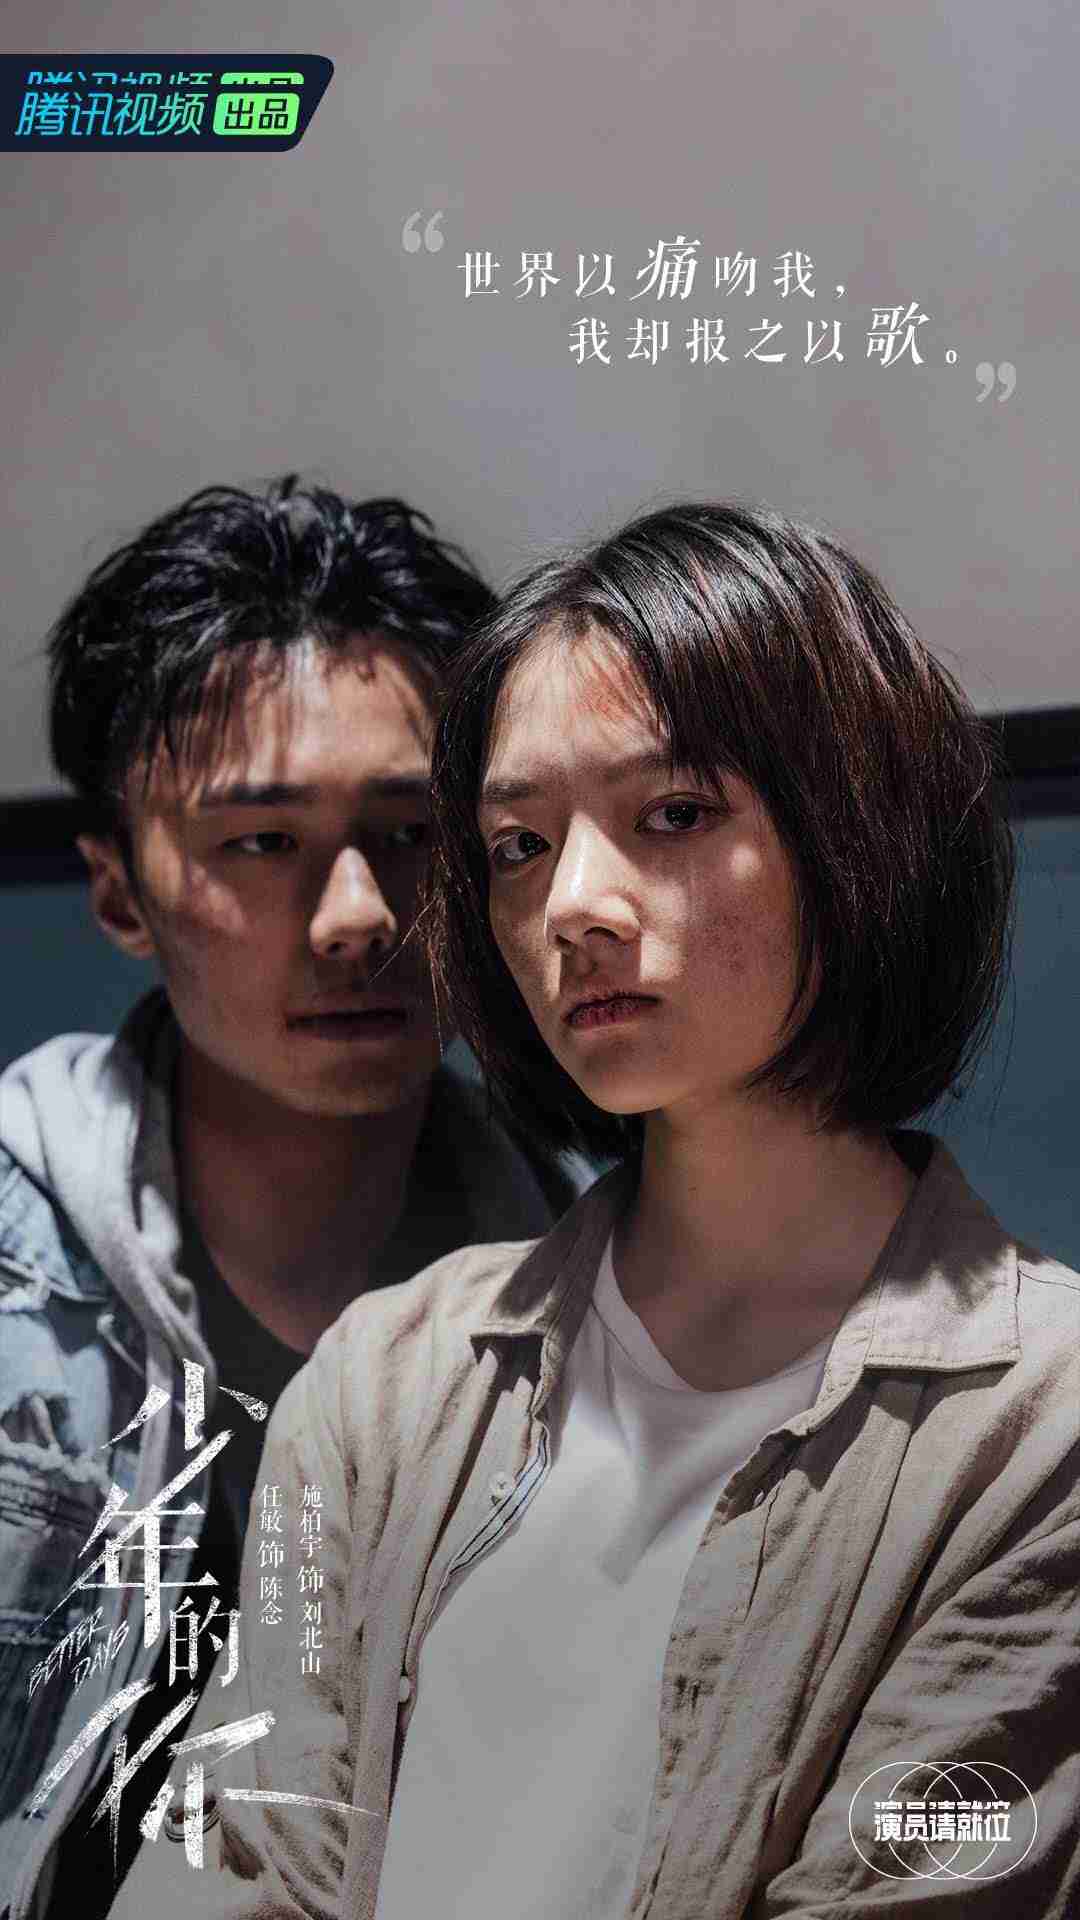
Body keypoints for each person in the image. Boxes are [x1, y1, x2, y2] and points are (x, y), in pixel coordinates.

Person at [112, 503, 1080, 1918]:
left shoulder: (1040, 1422)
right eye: (516, 845)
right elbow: (235, 1868)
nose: (573, 902)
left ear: (859, 831)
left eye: (672, 815)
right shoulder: (386, 1378)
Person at [0, 478, 582, 1920]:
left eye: (412, 831)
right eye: (262, 842)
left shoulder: (603, 1276)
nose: (360, 918)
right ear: (120, 895)